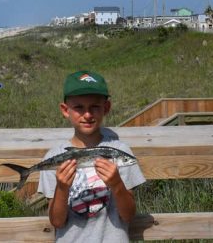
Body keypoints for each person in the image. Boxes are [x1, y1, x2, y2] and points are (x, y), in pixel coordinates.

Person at [38, 70, 146, 242]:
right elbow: (57, 222)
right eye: (79, 107)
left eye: (94, 107)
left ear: (106, 108)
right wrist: (62, 188)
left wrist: (117, 184)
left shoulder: (119, 151)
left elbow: (128, 216)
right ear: (65, 110)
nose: (87, 115)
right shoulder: (55, 156)